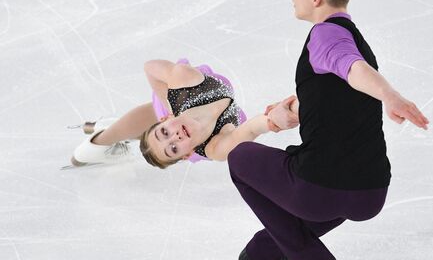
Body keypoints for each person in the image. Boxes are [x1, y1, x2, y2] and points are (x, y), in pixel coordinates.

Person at [226, 0, 430, 260]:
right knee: (285, 229)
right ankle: (263, 251)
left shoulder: (326, 36)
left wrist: (391, 96)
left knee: (240, 157)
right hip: (370, 191)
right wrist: (297, 107)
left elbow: (351, 68)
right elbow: (341, 87)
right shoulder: (353, 37)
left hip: (320, 190)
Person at [71, 58, 299, 168]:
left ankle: (102, 137)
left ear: (166, 120)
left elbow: (149, 67)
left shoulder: (183, 82)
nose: (175, 137)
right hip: (185, 117)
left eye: (164, 133)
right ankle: (92, 150)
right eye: (173, 148)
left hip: (178, 104)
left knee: (154, 112)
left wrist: (166, 100)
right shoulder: (215, 147)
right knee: (150, 125)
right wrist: (272, 120)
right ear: (187, 154)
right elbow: (250, 129)